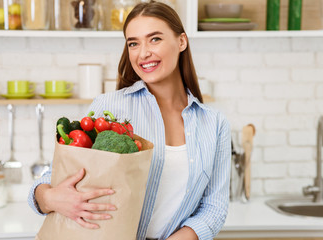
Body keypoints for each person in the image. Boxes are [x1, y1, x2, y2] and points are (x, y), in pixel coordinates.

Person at [28, 1, 231, 239]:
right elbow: (52, 177)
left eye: (155, 39)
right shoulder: (109, 107)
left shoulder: (214, 124)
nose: (143, 53)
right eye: (133, 43)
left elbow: (214, 208)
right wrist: (49, 198)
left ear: (181, 41)